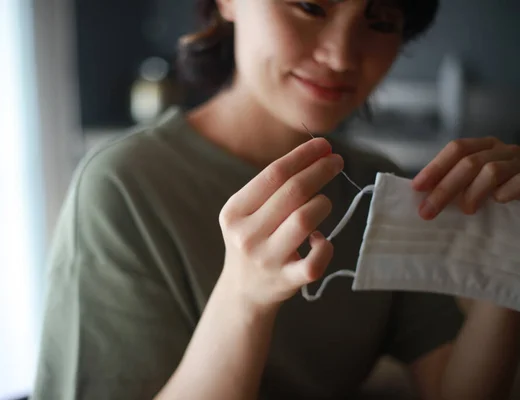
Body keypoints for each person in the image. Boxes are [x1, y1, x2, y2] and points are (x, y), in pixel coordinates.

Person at [32, 0, 520, 399]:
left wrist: (511, 257)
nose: (342, 56)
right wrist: (243, 301)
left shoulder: (381, 185)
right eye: (310, 6)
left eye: (380, 20)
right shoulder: (122, 189)